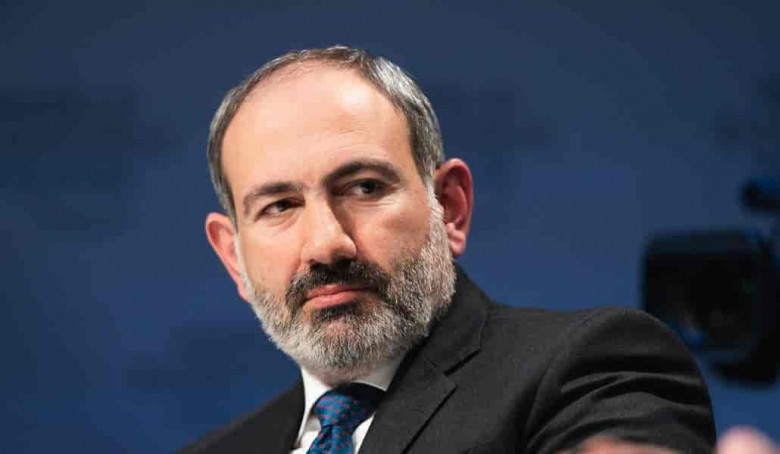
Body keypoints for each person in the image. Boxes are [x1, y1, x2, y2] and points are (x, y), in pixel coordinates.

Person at [183, 46, 717, 453]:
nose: (326, 244)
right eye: (279, 206)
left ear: (450, 206)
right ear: (233, 256)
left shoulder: (588, 368)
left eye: (364, 187)